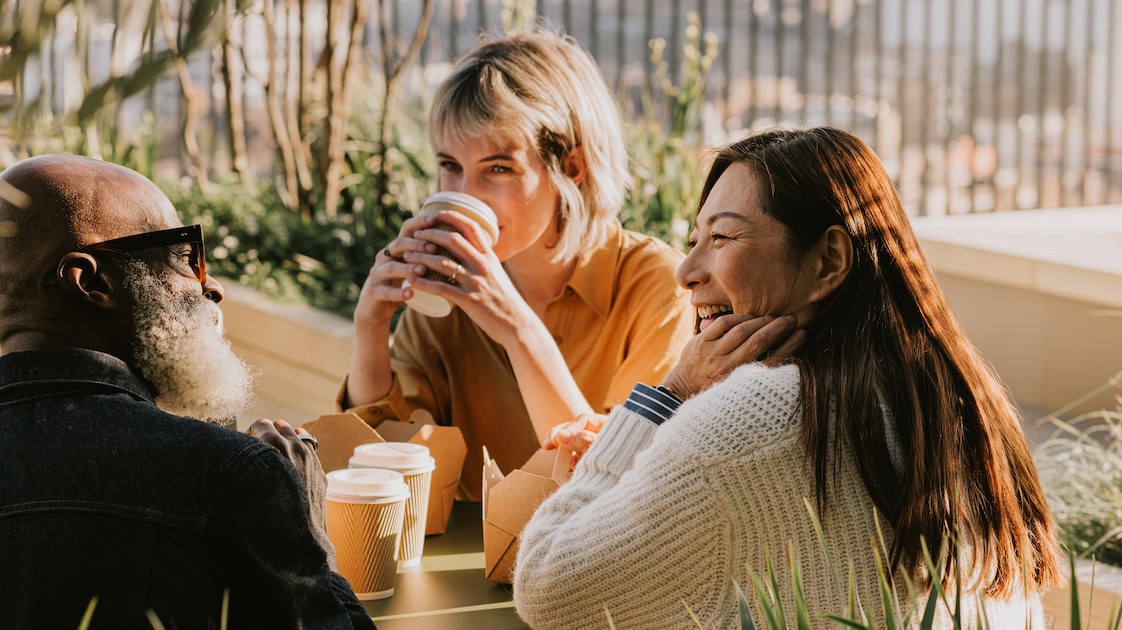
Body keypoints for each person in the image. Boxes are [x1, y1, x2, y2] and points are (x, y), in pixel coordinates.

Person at [513, 127, 1064, 628]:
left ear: (828, 262)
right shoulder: (957, 396)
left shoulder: (752, 419)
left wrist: (668, 397)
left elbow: (549, 590)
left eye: (723, 238)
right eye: (692, 240)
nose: (686, 273)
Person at [0, 154, 374, 628]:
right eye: (182, 257)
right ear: (91, 281)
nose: (211, 285)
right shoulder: (228, 474)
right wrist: (310, 533)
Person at [340, 29, 693, 500]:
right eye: (450, 165)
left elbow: (618, 489)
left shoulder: (660, 288)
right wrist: (370, 329)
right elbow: (379, 474)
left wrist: (516, 328)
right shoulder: (444, 301)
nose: (464, 194)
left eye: (498, 168)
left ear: (572, 167)